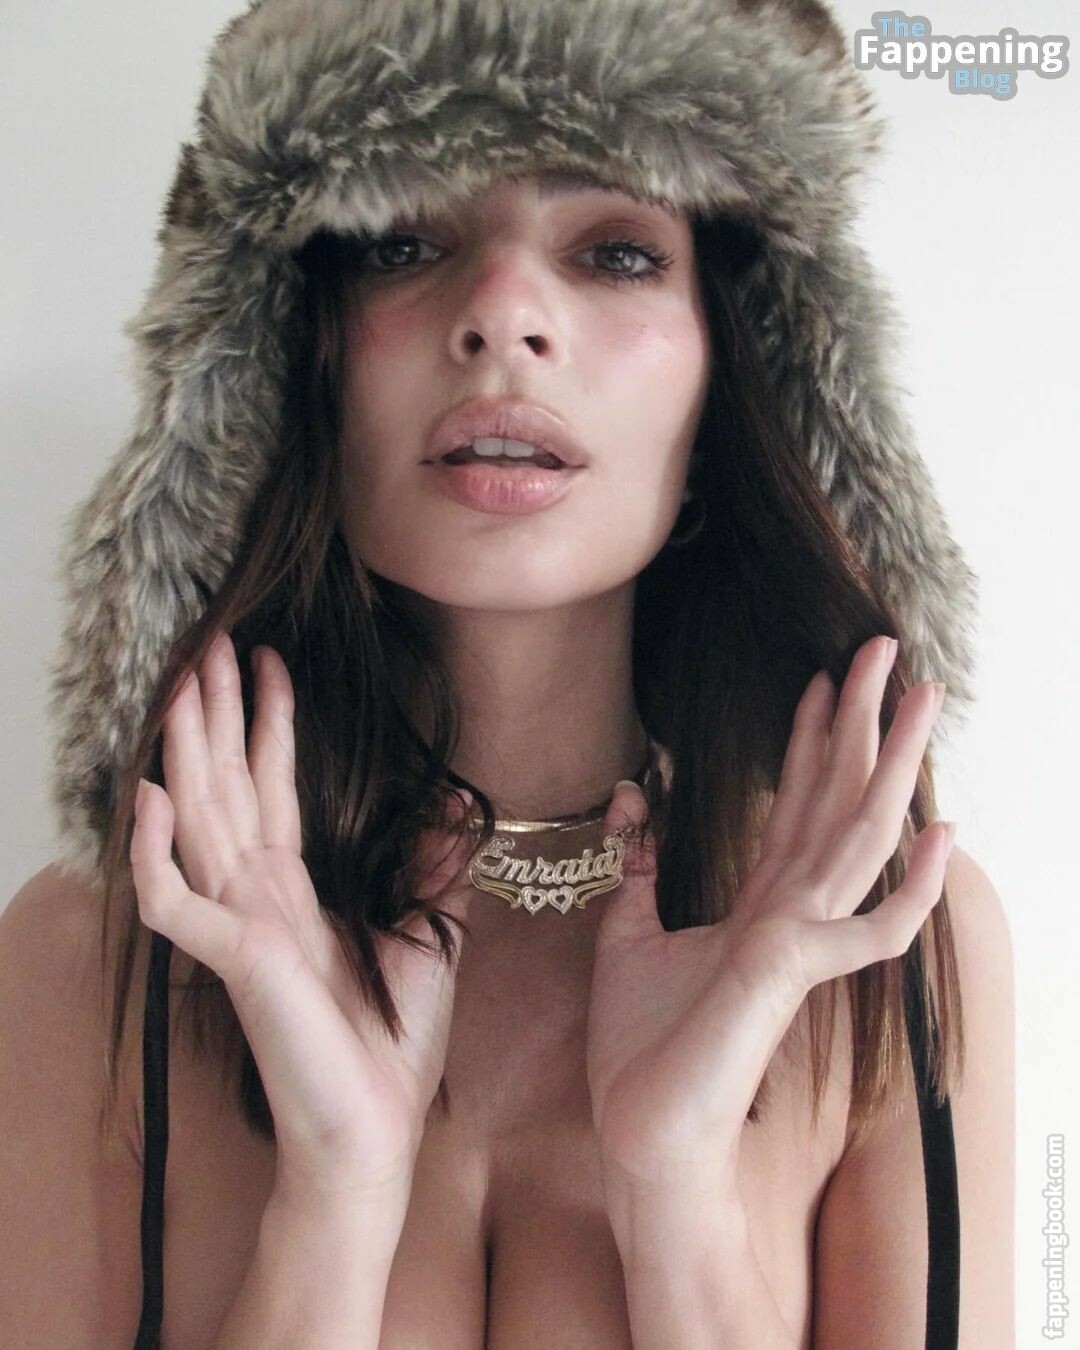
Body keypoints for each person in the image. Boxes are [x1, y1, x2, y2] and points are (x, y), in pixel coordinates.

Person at [0, 0, 1014, 1346]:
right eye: (405, 242)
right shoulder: (99, 953)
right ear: (289, 364)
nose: (502, 314)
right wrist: (335, 1196)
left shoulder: (885, 946)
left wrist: (678, 1194)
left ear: (736, 376)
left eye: (616, 251)